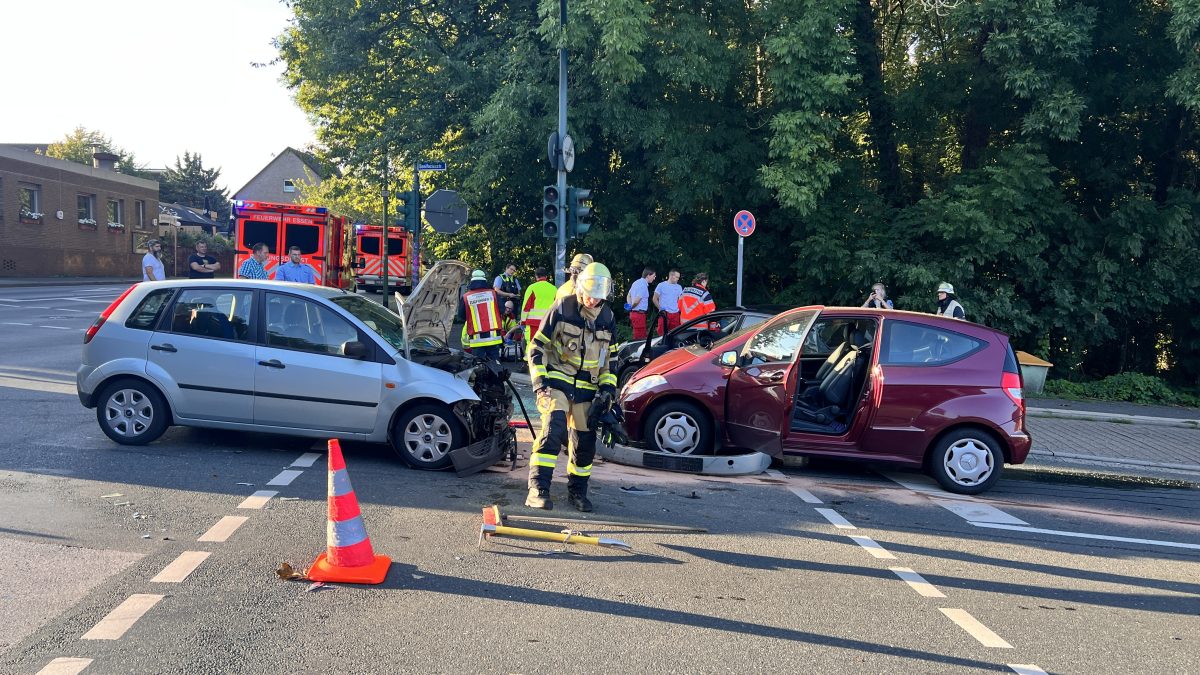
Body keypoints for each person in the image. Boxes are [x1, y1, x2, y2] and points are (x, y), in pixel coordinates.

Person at [526, 262, 618, 512]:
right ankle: (538, 489)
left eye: (598, 294)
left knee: (584, 442)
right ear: (580, 287)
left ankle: (577, 491)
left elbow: (611, 360)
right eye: (589, 292)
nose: (592, 299)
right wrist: (540, 382)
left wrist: (608, 391)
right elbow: (536, 347)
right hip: (557, 381)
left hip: (587, 389)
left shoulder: (608, 317)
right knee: (554, 430)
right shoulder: (563, 308)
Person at [462, 269, 503, 360]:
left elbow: (461, 316)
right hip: (493, 337)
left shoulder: (466, 297)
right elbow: (502, 310)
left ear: (472, 281)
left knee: (478, 365)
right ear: (484, 280)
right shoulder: (493, 294)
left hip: (476, 339)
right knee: (495, 363)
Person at [521, 267, 558, 344]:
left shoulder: (532, 288)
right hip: (548, 324)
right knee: (547, 347)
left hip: (533, 324)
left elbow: (526, 308)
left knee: (532, 347)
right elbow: (557, 307)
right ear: (546, 277)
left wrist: (523, 321)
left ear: (536, 276)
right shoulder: (554, 289)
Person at [626, 267, 656, 339]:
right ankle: (637, 350)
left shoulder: (636, 282)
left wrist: (629, 305)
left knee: (638, 334)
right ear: (648, 275)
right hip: (639, 314)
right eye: (653, 276)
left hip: (635, 314)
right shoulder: (643, 285)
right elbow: (637, 300)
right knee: (640, 337)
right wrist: (632, 307)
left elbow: (628, 295)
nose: (654, 278)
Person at [653, 268, 684, 334]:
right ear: (671, 276)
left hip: (675, 314)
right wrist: (660, 309)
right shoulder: (661, 285)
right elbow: (654, 298)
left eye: (678, 277)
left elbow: (681, 300)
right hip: (664, 313)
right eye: (677, 277)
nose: (678, 279)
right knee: (661, 334)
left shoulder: (679, 287)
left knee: (675, 334)